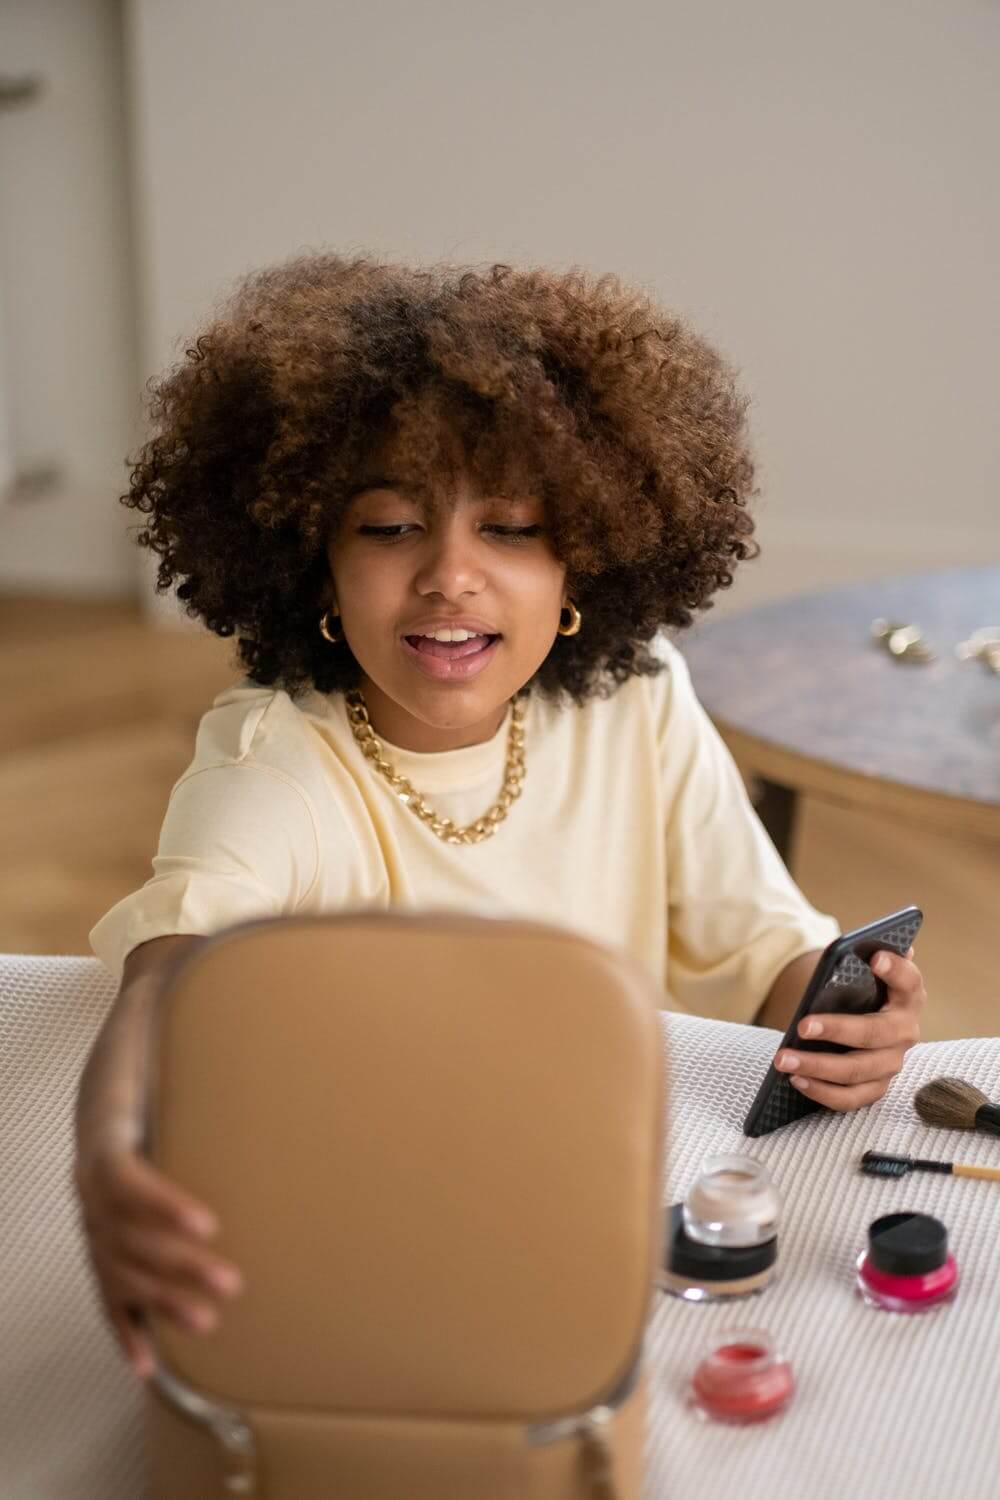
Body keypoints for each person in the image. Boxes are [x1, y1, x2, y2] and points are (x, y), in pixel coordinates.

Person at [74, 255, 926, 1380]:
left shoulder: (637, 697)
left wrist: (840, 1020)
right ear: (312, 566)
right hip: (393, 1217)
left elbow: (761, 944)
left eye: (512, 528)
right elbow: (164, 973)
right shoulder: (276, 762)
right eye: (388, 527)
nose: (450, 575)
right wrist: (105, 1155)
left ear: (585, 557)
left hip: (613, 1183)